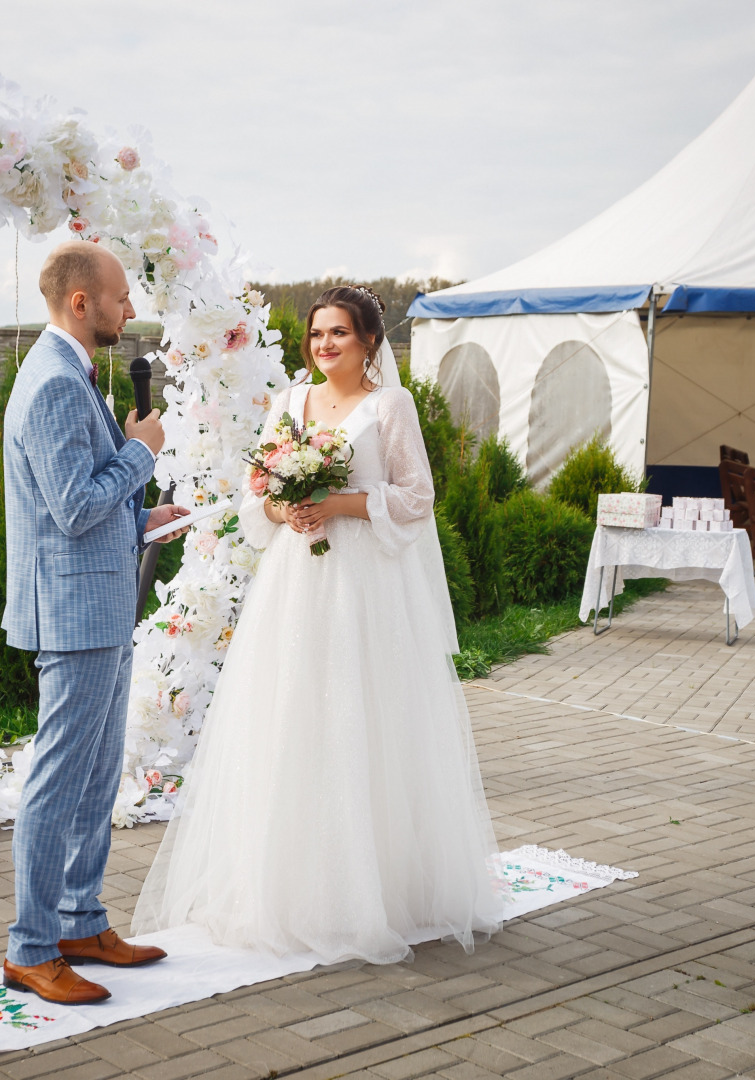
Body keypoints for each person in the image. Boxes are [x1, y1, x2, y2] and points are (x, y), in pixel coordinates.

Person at [132, 285, 503, 964]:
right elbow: (260, 494)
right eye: (316, 335)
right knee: (291, 716)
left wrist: (338, 502)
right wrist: (289, 510)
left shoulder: (390, 404)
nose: (325, 345)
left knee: (362, 719)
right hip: (297, 584)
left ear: (368, 340)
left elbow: (416, 495)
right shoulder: (289, 402)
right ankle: (289, 889)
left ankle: (376, 889)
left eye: (339, 334)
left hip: (363, 583)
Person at [1, 241, 190, 1004]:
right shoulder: (51, 383)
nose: (129, 308)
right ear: (81, 302)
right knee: (59, 781)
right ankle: (31, 947)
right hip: (73, 614)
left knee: (95, 777)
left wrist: (145, 519)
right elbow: (75, 507)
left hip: (103, 608)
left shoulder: (74, 374)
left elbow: (83, 502)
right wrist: (143, 456)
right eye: (119, 296)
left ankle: (81, 920)